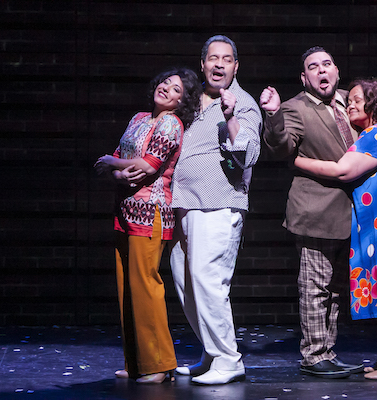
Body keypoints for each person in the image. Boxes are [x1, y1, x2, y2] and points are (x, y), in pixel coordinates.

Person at [260, 46, 377, 379]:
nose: (321, 70)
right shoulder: (294, 108)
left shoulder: (352, 99)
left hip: (357, 215)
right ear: (304, 77)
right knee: (315, 287)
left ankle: (327, 351)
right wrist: (272, 116)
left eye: (327, 64)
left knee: (339, 289)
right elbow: (278, 147)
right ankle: (314, 355)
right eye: (313, 66)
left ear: (337, 70)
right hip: (317, 211)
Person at [293, 78, 377, 381]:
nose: (350, 104)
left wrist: (296, 160)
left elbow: (343, 170)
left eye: (357, 100)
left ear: (376, 105)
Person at [94, 68, 201, 384]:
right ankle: (137, 362)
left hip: (151, 211)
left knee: (145, 286)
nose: (167, 89)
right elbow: (120, 156)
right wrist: (117, 171)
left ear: (182, 102)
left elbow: (148, 165)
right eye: (165, 83)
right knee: (126, 288)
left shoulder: (171, 123)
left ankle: (159, 364)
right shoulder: (139, 118)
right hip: (125, 209)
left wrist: (113, 165)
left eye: (176, 90)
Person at [170, 35, 262, 385]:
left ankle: (228, 358)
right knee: (186, 283)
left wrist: (231, 117)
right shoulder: (194, 102)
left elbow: (247, 153)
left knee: (208, 281)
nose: (219, 64)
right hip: (185, 205)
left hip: (219, 203)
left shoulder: (242, 104)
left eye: (226, 59)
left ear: (236, 66)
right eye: (212, 58)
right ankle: (211, 352)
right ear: (203, 63)